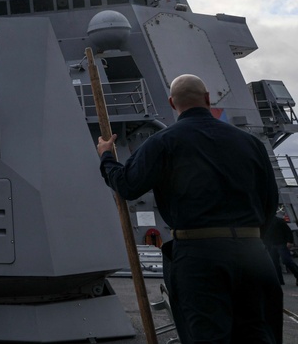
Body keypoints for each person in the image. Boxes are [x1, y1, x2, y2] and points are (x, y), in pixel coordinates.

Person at [97, 74, 282, 343]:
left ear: (172, 103)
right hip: (253, 253)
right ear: (207, 98)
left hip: (199, 257)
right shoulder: (251, 143)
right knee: (259, 334)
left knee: (207, 336)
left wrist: (106, 156)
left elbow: (127, 186)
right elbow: (270, 201)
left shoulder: (163, 142)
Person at [264, 214, 298, 286]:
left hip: (280, 243)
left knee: (285, 260)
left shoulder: (278, 221)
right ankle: (279, 281)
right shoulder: (269, 222)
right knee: (275, 262)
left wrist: (289, 241)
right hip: (273, 244)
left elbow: (287, 231)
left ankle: (281, 280)